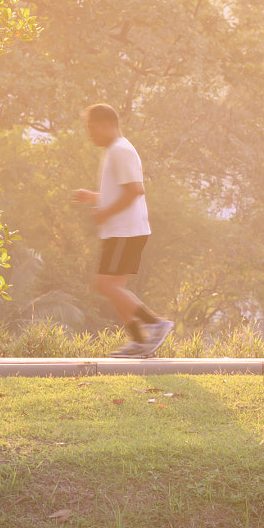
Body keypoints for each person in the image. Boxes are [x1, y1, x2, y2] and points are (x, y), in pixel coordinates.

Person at [72, 103, 174, 357]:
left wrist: (106, 212)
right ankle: (140, 342)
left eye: (92, 127)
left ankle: (156, 324)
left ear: (107, 125)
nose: (90, 133)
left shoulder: (120, 150)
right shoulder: (115, 150)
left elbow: (135, 190)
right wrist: (94, 197)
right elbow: (120, 190)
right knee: (116, 289)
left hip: (124, 232)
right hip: (123, 231)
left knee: (105, 285)